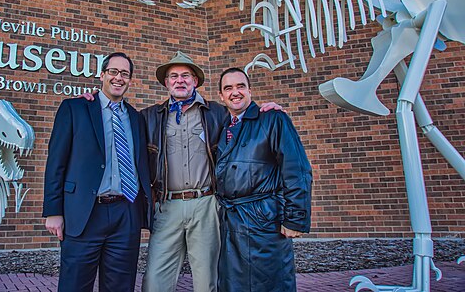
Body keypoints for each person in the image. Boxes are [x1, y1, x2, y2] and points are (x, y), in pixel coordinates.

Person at [141, 52, 283, 292]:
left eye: (186, 75)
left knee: (208, 281)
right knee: (155, 282)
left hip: (206, 203)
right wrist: (92, 98)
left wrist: (266, 111)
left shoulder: (218, 112)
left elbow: (245, 115)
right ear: (166, 83)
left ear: (195, 80)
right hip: (166, 206)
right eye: (173, 76)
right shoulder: (148, 117)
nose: (180, 80)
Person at [42, 52, 152, 292]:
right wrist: (53, 211)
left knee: (120, 286)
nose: (118, 78)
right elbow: (56, 163)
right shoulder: (75, 108)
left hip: (126, 212)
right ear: (102, 75)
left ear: (130, 80)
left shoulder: (136, 118)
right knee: (74, 285)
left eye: (125, 74)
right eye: (113, 71)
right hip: (84, 212)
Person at [215, 67, 312, 292]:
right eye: (228, 88)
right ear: (221, 96)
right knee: (235, 285)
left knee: (269, 283)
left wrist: (295, 218)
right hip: (231, 222)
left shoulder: (272, 119)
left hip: (264, 220)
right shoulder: (224, 126)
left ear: (250, 91)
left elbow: (297, 169)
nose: (235, 92)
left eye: (240, 86)